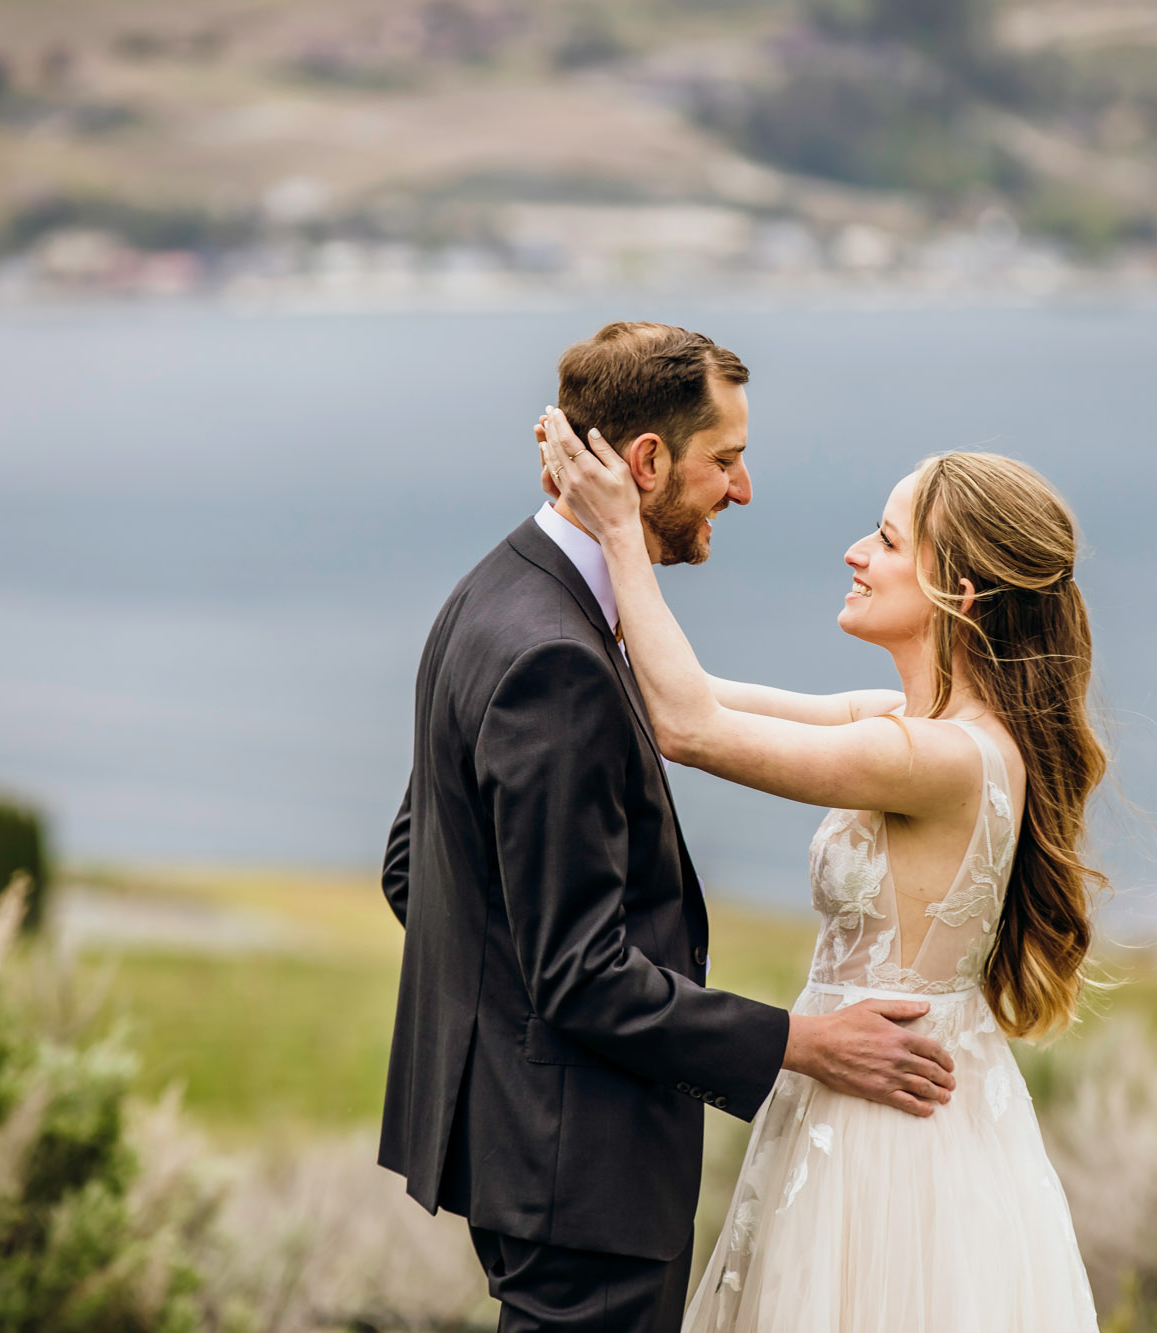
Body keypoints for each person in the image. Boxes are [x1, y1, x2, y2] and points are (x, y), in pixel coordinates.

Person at [379, 322, 959, 1333]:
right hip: (582, 1169)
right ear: (645, 462)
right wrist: (804, 1043)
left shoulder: (495, 596)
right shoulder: (552, 659)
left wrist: (512, 1054)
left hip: (533, 1154)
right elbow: (580, 973)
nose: (741, 490)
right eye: (724, 459)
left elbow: (414, 867)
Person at [540, 410, 1106, 1332]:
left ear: (955, 590)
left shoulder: (941, 759)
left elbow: (689, 729)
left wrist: (616, 532)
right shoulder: (906, 724)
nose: (855, 553)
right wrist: (599, 543)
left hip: (886, 1137)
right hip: (852, 1095)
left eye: (884, 540)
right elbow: (690, 690)